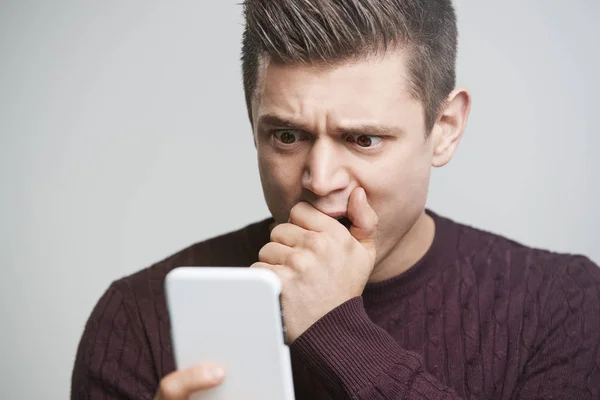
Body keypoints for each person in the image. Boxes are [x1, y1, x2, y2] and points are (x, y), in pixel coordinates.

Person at [71, 0, 600, 399]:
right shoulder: (138, 319)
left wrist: (336, 329)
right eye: (286, 136)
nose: (320, 180)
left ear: (444, 129)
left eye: (362, 139)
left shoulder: (562, 305)